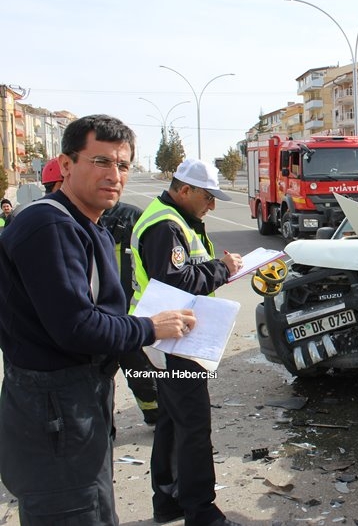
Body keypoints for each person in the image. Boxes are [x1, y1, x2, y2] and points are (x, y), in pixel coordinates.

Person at [0, 114, 197, 526]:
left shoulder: (85, 225)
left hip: (75, 400)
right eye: (102, 162)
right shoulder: (50, 225)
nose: (115, 175)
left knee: (92, 505)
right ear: (67, 165)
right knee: (74, 512)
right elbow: (76, 327)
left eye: (122, 165)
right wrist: (150, 328)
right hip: (55, 406)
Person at [129, 158, 243, 526]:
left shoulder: (177, 219)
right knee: (193, 424)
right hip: (170, 339)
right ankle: (201, 510)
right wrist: (223, 270)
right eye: (208, 197)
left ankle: (167, 501)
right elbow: (175, 280)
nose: (211, 206)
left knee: (172, 421)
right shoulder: (165, 224)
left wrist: (217, 270)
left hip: (172, 335)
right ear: (184, 190)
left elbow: (185, 272)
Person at [100, 200, 160, 426]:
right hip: (100, 320)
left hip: (128, 318)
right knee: (97, 382)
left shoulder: (132, 216)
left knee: (142, 375)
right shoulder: (73, 219)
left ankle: (156, 416)